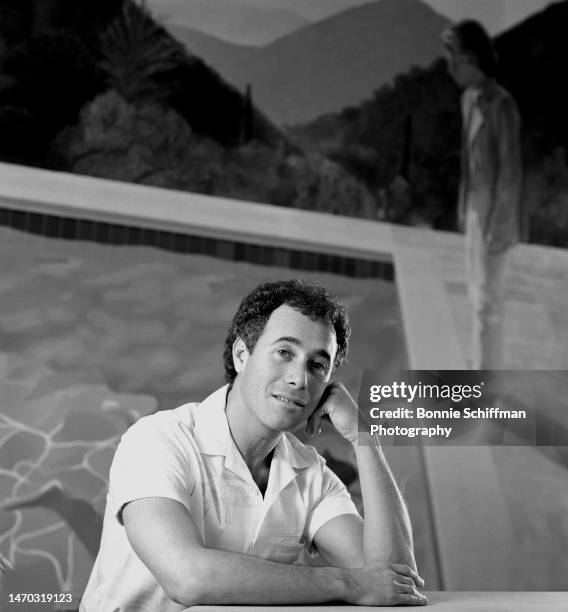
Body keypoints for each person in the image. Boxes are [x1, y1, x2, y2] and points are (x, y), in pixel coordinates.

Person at [81, 279, 427, 610]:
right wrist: (346, 584)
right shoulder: (157, 440)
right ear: (241, 355)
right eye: (283, 352)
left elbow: (392, 582)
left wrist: (364, 438)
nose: (298, 378)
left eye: (317, 364)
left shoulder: (311, 474)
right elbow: (187, 577)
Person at [442, 20, 522, 370]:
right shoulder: (468, 100)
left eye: (454, 60)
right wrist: (465, 209)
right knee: (477, 298)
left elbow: (511, 173)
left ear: (472, 59)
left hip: (496, 218)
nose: (449, 68)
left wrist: (498, 226)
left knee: (489, 304)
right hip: (475, 211)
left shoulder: (501, 105)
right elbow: (468, 162)